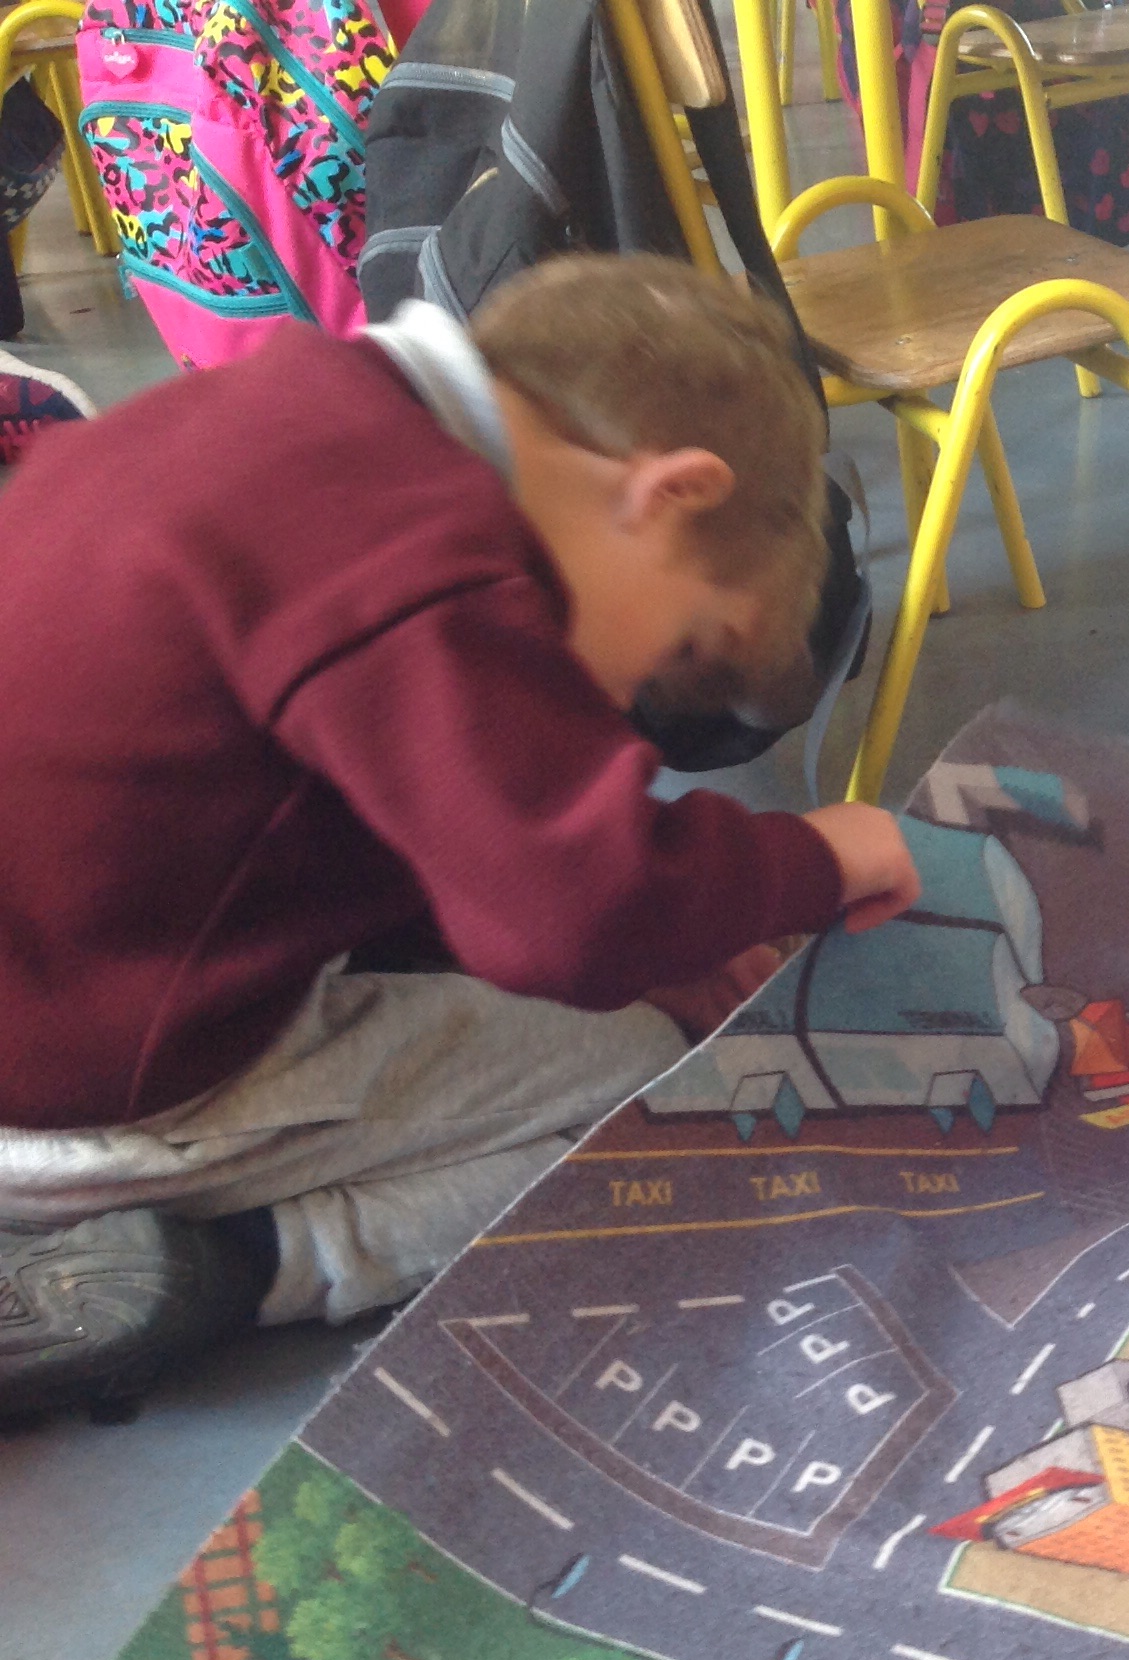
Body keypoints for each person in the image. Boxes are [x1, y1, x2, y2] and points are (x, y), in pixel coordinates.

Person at [0, 254, 920, 1416]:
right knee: (648, 1080)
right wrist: (816, 860)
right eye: (685, 646)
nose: (635, 698)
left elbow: (392, 810)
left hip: (68, 981)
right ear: (670, 493)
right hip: (88, 1095)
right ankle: (243, 1266)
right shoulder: (423, 554)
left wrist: (653, 920)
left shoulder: (309, 420)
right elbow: (582, 917)